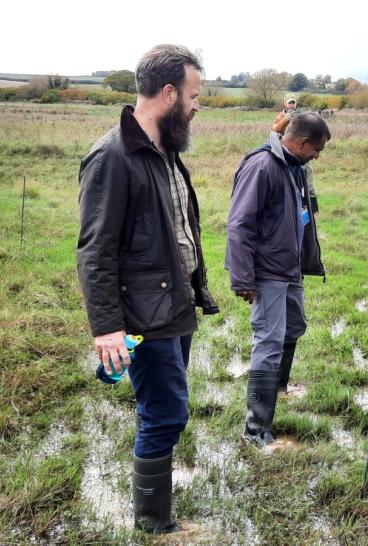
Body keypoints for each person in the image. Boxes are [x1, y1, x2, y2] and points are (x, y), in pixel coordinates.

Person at [77, 44, 219, 534]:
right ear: (167, 93)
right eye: (194, 95)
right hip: (143, 315)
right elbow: (95, 251)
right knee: (166, 413)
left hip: (176, 306)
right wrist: (108, 327)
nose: (198, 104)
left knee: (166, 409)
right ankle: (155, 524)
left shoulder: (165, 151)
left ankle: (156, 510)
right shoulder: (113, 157)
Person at [226, 113, 330, 451]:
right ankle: (256, 428)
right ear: (301, 143)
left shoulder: (295, 168)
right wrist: (243, 277)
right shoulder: (263, 166)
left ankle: (279, 388)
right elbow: (240, 224)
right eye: (317, 148)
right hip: (267, 272)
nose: (318, 154)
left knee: (293, 328)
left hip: (290, 269)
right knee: (269, 343)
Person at [272, 93, 320, 214]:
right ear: (285, 104)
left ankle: (311, 209)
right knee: (291, 181)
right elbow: (274, 131)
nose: (292, 105)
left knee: (308, 177)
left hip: (302, 152)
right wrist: (286, 119)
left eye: (293, 102)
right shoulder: (280, 117)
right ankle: (292, 207)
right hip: (286, 154)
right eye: (289, 102)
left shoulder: (301, 116)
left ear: (296, 104)